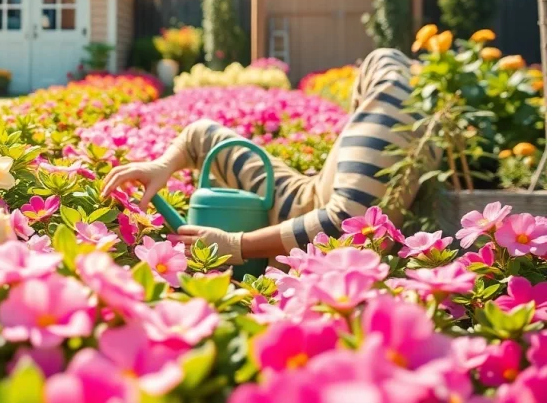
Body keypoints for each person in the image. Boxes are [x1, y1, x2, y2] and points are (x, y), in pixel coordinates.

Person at [101, 48, 426, 264]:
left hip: (315, 228)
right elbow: (199, 137)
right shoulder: (281, 195)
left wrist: (237, 245)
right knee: (386, 61)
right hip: (306, 196)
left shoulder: (393, 96)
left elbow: (346, 223)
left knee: (388, 65)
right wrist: (162, 165)